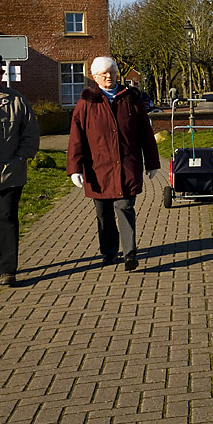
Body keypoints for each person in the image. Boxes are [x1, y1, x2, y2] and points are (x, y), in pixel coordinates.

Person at [67, 56, 160, 271]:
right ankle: (109, 252)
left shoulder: (131, 99)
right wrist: (74, 169)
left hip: (127, 166)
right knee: (104, 214)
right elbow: (76, 138)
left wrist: (152, 162)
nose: (108, 77)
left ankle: (130, 254)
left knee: (125, 207)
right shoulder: (86, 104)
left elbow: (146, 133)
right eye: (103, 74)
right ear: (94, 77)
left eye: (112, 72)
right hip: (97, 170)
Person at [0, 55, 40, 287]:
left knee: (7, 219)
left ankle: (7, 270)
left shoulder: (17, 101)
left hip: (9, 173)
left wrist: (20, 158)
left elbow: (31, 134)